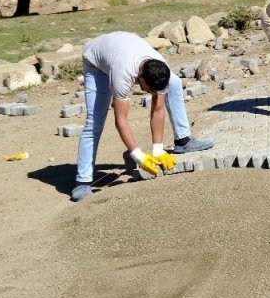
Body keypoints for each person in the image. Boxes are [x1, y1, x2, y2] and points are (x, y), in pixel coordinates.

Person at [72, 31, 214, 202]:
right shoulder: (122, 75)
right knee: (94, 122)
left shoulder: (160, 69)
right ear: (140, 77)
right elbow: (120, 119)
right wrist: (138, 155)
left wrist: (158, 149)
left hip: (123, 47)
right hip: (96, 61)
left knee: (175, 83)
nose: (149, 93)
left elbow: (157, 109)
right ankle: (82, 182)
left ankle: (183, 141)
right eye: (149, 89)